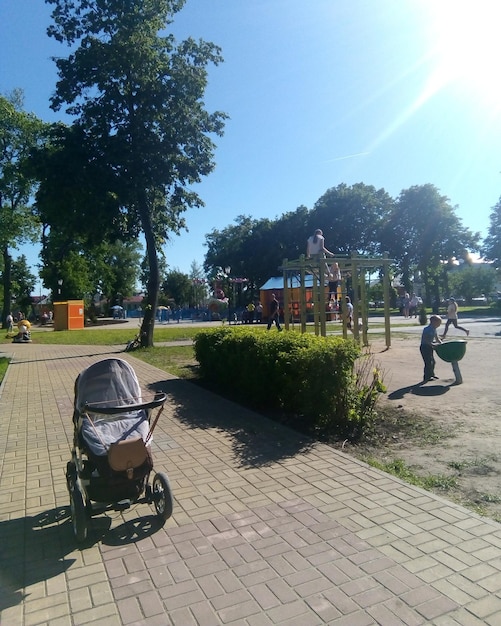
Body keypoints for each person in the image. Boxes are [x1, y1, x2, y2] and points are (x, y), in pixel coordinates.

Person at [420, 314, 442, 382]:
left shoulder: (434, 329)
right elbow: (425, 340)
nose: (439, 324)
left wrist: (442, 344)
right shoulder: (427, 329)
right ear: (433, 322)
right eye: (439, 323)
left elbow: (437, 338)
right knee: (428, 362)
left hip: (430, 347)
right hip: (425, 347)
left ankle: (431, 374)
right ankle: (426, 377)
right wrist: (432, 344)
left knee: (433, 362)